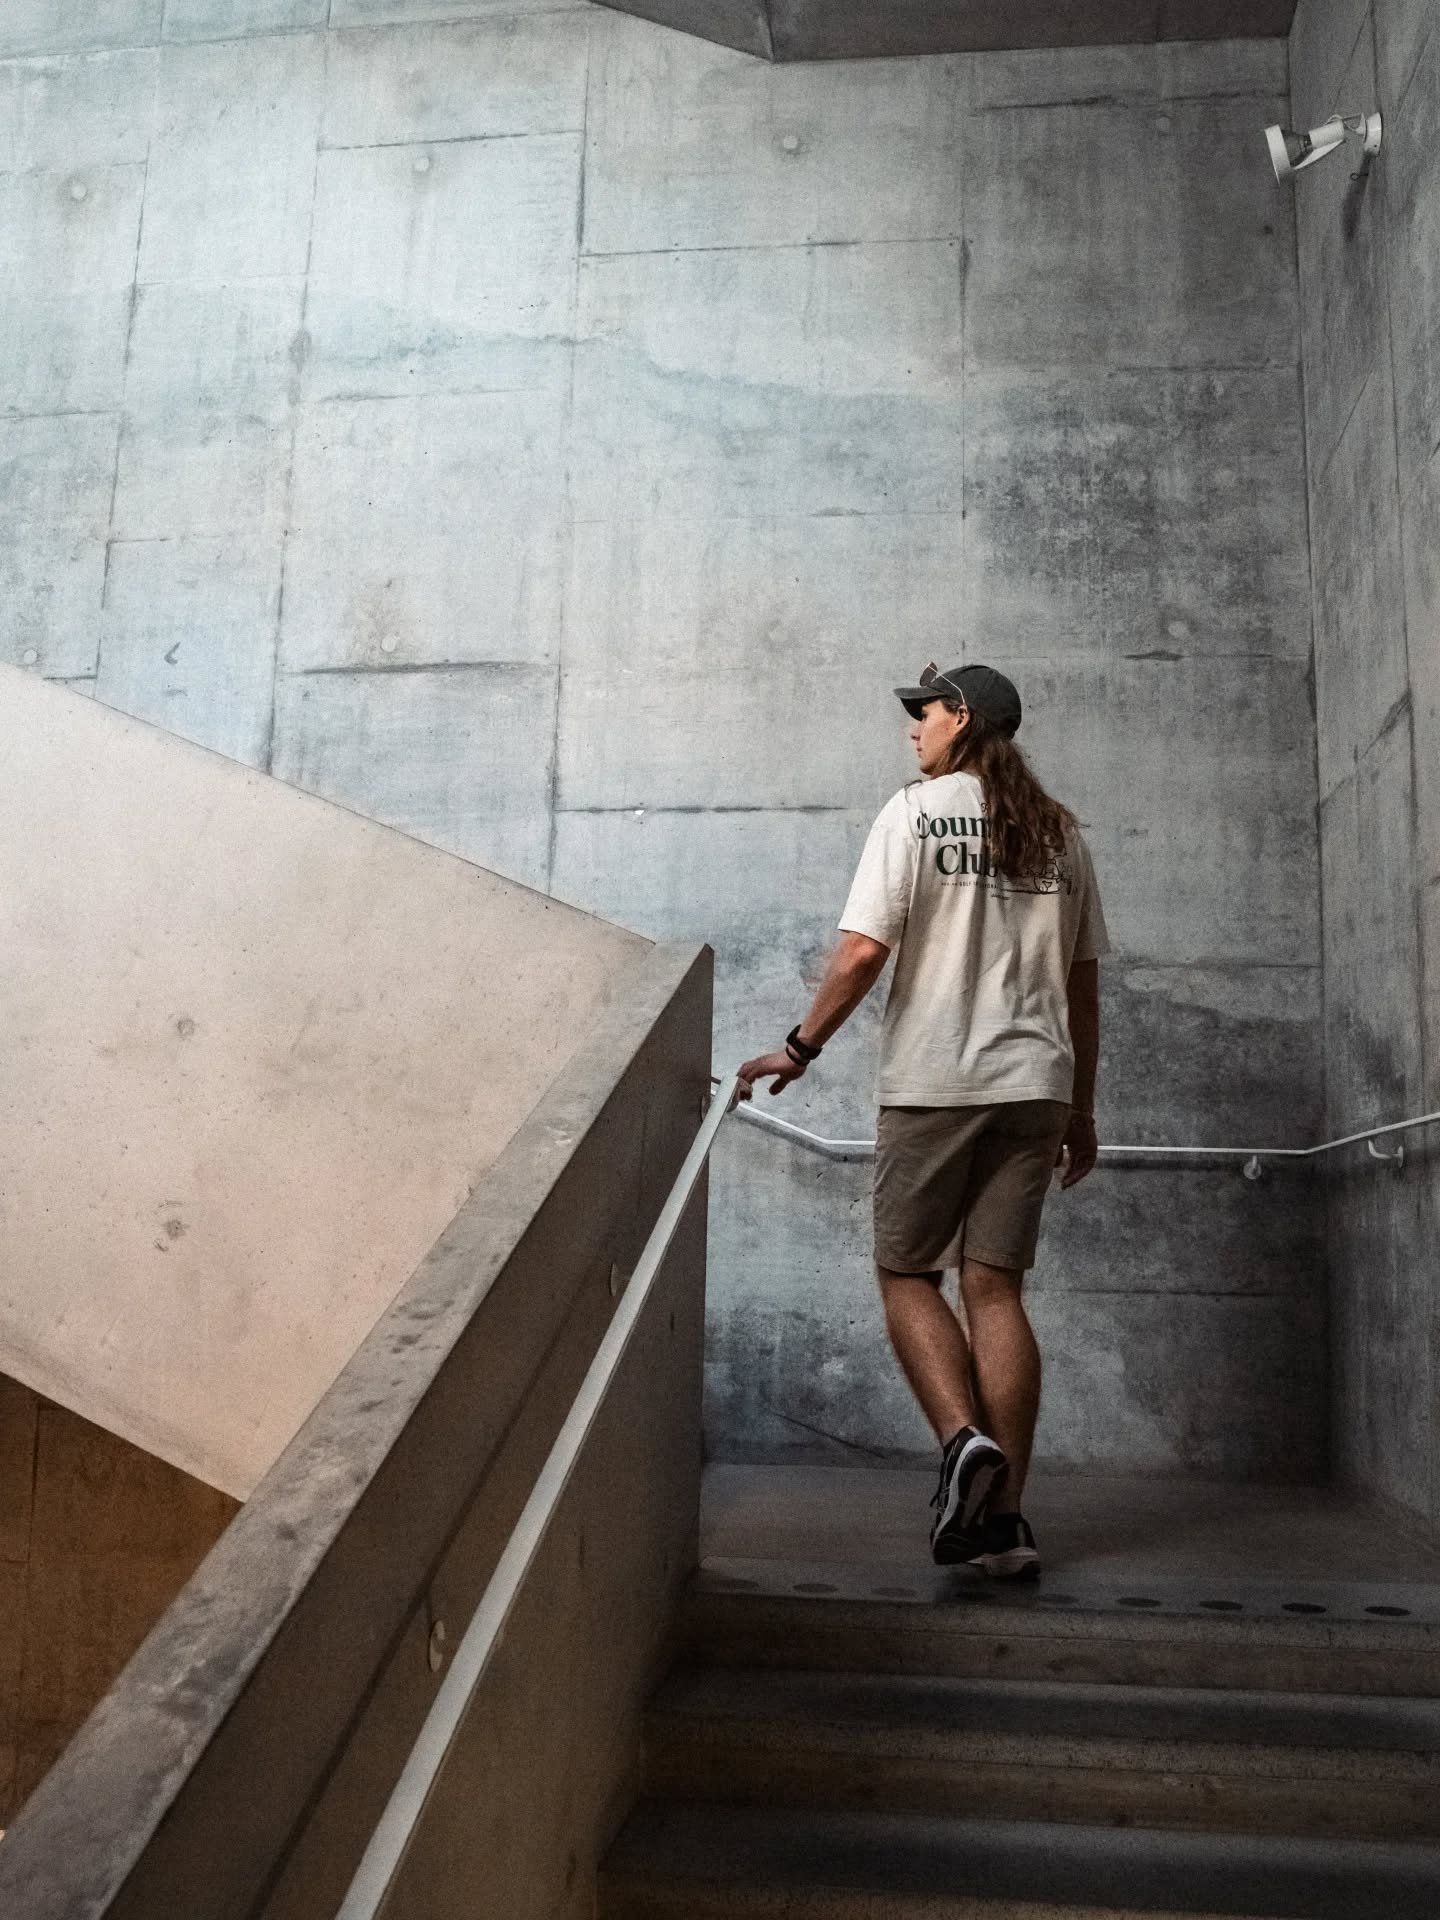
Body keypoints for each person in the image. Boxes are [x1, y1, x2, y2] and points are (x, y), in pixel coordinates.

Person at [739, 663, 1107, 1581]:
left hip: (938, 1082)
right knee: (997, 1291)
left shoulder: (915, 812)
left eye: (925, 713)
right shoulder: (1060, 832)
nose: (913, 730)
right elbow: (1084, 981)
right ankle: (1006, 1523)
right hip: (1036, 1087)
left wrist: (800, 1046)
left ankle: (961, 1442)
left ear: (963, 719)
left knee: (907, 1273)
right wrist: (1083, 1107)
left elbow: (864, 950)